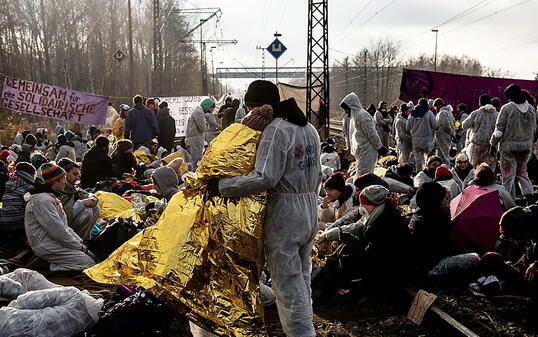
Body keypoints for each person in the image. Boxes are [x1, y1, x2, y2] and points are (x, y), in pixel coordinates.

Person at [213, 80, 320, 336]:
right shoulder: (309, 129)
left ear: (257, 107)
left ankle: (302, 334)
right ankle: (307, 328)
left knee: (286, 286)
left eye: (249, 109)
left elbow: (265, 177)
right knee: (302, 279)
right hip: (308, 209)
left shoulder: (276, 130)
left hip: (285, 215)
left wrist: (222, 186)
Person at [317, 185, 411, 294]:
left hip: (391, 271)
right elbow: (357, 227)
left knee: (347, 251)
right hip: (382, 263)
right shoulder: (378, 213)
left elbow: (371, 255)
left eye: (365, 204)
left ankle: (335, 288)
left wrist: (347, 240)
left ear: (374, 204)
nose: (362, 208)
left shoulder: (385, 223)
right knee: (345, 247)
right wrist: (330, 235)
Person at [25, 163, 95, 270]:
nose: (65, 182)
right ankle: (49, 266)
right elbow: (57, 231)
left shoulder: (51, 198)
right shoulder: (43, 201)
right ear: (55, 181)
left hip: (53, 241)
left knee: (90, 256)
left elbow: (64, 227)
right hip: (45, 245)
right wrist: (79, 246)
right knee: (88, 263)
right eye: (63, 179)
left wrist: (79, 243)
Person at [490, 84, 536, 200]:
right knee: (522, 172)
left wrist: (493, 144)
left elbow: (499, 131)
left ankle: (508, 200)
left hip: (509, 147)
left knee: (508, 176)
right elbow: (534, 129)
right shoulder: (531, 109)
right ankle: (529, 195)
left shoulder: (507, 108)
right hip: (526, 147)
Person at [409, 182, 456, 276]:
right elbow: (444, 246)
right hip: (431, 265)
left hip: (417, 262)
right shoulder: (439, 217)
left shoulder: (418, 213)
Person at [340, 93, 385, 175]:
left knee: (364, 176)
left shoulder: (362, 115)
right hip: (363, 151)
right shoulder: (356, 115)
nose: (345, 111)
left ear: (351, 106)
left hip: (367, 151)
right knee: (362, 175)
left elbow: (371, 133)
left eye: (346, 109)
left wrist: (379, 147)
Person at [57, 158, 100, 240]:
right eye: (74, 174)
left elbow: (84, 194)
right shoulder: (59, 188)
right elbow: (63, 215)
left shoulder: (71, 187)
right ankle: (78, 241)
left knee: (95, 208)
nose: (77, 178)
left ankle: (86, 239)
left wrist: (92, 198)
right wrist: (82, 203)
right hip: (62, 225)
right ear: (65, 174)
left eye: (78, 175)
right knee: (87, 211)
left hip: (70, 221)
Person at [0, 162, 36, 246]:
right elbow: (31, 207)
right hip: (17, 224)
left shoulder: (8, 183)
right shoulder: (27, 187)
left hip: (2, 221)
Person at [462, 94, 499, 168]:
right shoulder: (497, 115)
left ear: (480, 103)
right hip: (490, 148)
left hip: (475, 147)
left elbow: (464, 125)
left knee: (473, 169)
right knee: (488, 171)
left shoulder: (476, 113)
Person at [407, 98, 437, 171]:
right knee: (430, 157)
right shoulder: (429, 113)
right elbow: (434, 125)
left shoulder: (412, 114)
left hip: (416, 140)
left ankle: (419, 172)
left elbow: (407, 127)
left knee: (418, 159)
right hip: (427, 140)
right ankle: (429, 171)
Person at [186, 98, 214, 168]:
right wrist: (207, 124)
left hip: (195, 139)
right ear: (207, 106)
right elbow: (203, 127)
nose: (211, 111)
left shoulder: (198, 111)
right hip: (195, 140)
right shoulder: (199, 112)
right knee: (196, 160)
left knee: (195, 160)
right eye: (211, 108)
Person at [433, 98, 455, 164]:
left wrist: (451, 133)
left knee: (445, 156)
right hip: (444, 137)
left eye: (436, 106)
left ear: (439, 105)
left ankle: (447, 170)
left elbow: (446, 125)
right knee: (441, 156)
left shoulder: (442, 113)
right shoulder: (449, 113)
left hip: (443, 137)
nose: (435, 108)